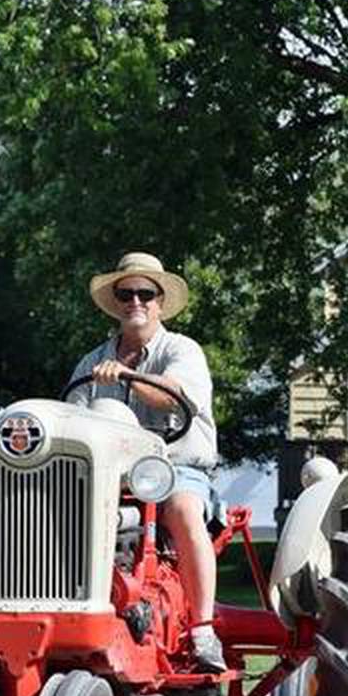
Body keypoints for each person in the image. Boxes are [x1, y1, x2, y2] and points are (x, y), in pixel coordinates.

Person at [65, 251, 225, 672]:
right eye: (126, 293)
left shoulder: (181, 350)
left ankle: (203, 629)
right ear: (116, 302)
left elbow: (175, 395)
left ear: (159, 301)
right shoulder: (91, 361)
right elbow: (73, 418)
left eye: (145, 293)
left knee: (183, 509)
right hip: (108, 478)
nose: (136, 300)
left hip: (173, 468)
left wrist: (127, 377)